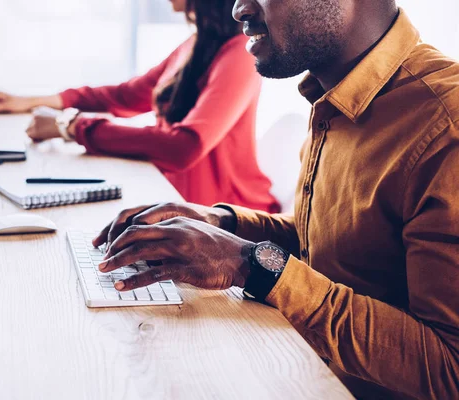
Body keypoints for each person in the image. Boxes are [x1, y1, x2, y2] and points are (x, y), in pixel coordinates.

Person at [90, 1, 459, 399]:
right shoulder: (336, 94)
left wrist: (250, 264)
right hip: (300, 363)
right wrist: (218, 223)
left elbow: (451, 370)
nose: (239, 8)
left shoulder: (445, 128)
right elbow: (331, 240)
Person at [0, 0, 280, 212]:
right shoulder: (196, 45)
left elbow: (185, 147)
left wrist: (71, 127)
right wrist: (34, 100)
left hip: (227, 220)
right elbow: (126, 95)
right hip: (178, 204)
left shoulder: (240, 54)